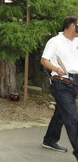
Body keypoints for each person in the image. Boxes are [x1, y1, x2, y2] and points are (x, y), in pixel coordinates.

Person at [41, 15, 78, 160]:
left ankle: (49, 140)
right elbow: (44, 60)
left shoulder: (76, 41)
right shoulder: (55, 41)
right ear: (72, 26)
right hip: (61, 83)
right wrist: (56, 68)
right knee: (72, 118)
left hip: (75, 82)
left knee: (61, 114)